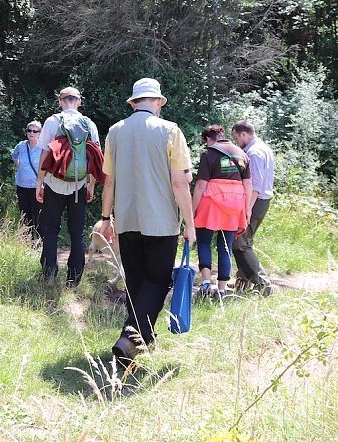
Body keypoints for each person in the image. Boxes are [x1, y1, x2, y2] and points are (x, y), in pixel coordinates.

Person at [100, 78, 195, 365]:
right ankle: (129, 337)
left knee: (138, 282)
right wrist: (190, 224)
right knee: (157, 280)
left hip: (127, 219)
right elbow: (180, 184)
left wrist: (106, 218)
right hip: (161, 221)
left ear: (133, 103)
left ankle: (143, 341)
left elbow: (109, 182)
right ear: (157, 102)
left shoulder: (115, 132)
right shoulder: (170, 131)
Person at [35, 87, 103, 288]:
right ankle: (74, 278)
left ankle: (49, 273)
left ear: (60, 101)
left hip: (55, 184)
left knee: (51, 230)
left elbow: (44, 155)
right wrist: (91, 186)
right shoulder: (89, 124)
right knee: (77, 232)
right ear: (79, 102)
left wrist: (40, 183)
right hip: (79, 185)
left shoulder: (52, 121)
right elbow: (95, 159)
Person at [192, 125, 252, 298]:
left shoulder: (208, 153)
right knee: (225, 247)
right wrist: (246, 209)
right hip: (235, 204)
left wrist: (192, 209)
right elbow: (248, 184)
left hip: (211, 202)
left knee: (203, 242)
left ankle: (205, 284)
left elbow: (201, 184)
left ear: (208, 139)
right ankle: (222, 290)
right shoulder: (242, 154)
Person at [231, 120, 274, 296]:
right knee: (243, 242)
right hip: (261, 201)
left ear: (244, 134)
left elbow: (255, 186)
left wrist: (246, 210)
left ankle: (263, 284)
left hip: (255, 202)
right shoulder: (263, 147)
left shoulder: (254, 152)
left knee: (240, 243)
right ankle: (243, 283)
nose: (236, 142)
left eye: (236, 137)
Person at [10, 120, 43, 235]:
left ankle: (39, 239)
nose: (32, 133)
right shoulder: (21, 146)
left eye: (35, 131)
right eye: (29, 130)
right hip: (22, 186)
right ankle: (26, 239)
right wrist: (17, 163)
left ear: (40, 133)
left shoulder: (43, 148)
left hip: (37, 187)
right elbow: (13, 154)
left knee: (38, 214)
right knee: (25, 213)